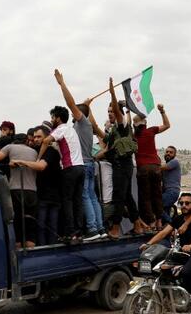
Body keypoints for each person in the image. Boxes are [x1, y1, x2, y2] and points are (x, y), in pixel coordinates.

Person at [54, 69, 105, 240]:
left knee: (84, 196)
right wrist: (87, 105)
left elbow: (71, 105)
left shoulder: (82, 123)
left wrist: (62, 84)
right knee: (91, 196)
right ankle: (99, 227)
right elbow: (83, 111)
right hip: (89, 163)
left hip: (81, 164)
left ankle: (91, 229)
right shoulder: (85, 126)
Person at [141, 192, 191, 313]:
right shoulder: (178, 219)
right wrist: (148, 244)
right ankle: (169, 296)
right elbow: (163, 233)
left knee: (185, 273)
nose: (184, 205)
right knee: (160, 268)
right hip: (181, 254)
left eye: (187, 203)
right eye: (181, 203)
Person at [102, 78, 145, 239]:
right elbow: (102, 138)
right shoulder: (114, 130)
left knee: (118, 197)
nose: (110, 114)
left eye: (112, 111)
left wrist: (113, 92)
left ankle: (114, 228)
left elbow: (117, 108)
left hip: (122, 166)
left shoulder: (123, 125)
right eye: (108, 112)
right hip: (122, 166)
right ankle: (137, 225)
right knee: (127, 196)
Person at [39, 104, 85, 242]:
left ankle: (70, 233)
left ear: (58, 118)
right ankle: (79, 232)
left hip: (69, 168)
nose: (51, 119)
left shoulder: (60, 129)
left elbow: (46, 141)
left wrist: (39, 158)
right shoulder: (71, 130)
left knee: (67, 201)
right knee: (78, 201)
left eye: (52, 117)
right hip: (81, 167)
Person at [0, 133, 38, 248]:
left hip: (15, 191)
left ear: (14, 141)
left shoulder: (9, 147)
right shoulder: (34, 152)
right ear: (26, 141)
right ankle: (30, 256)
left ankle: (18, 260)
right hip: (32, 192)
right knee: (30, 227)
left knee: (17, 226)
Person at [134, 104, 170, 231]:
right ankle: (160, 221)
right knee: (157, 195)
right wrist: (162, 111)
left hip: (142, 168)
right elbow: (167, 125)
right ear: (145, 123)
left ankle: (151, 222)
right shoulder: (151, 131)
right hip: (155, 166)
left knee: (146, 197)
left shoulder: (133, 136)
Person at [26, 124, 62, 246]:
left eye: (39, 137)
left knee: (49, 227)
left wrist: (21, 162)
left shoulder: (51, 151)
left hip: (52, 197)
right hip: (42, 196)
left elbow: (41, 167)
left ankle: (50, 252)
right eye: (34, 137)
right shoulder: (36, 152)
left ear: (46, 137)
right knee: (41, 227)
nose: (36, 139)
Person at [161, 145, 181, 224]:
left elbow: (161, 168)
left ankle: (174, 225)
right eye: (167, 152)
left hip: (172, 191)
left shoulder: (174, 162)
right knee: (165, 212)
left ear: (174, 155)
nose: (168, 153)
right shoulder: (165, 165)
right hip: (167, 192)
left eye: (171, 152)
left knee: (157, 206)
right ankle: (167, 232)